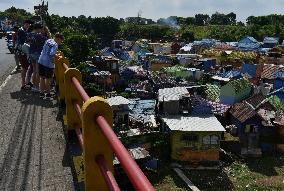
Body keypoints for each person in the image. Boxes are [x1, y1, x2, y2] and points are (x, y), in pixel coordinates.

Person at [38, 33, 64, 99]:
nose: (60, 43)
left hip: (41, 61)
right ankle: (48, 94)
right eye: (60, 41)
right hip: (48, 64)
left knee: (42, 78)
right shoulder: (55, 44)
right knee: (48, 79)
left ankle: (41, 93)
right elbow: (52, 53)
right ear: (58, 39)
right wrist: (58, 56)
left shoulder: (48, 40)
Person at [28, 23, 47, 92]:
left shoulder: (30, 34)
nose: (42, 30)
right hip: (37, 54)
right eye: (41, 29)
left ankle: (34, 86)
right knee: (38, 72)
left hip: (31, 53)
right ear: (38, 29)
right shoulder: (39, 35)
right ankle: (36, 87)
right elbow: (48, 41)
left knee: (34, 71)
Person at [16, 20, 32, 90]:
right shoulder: (22, 31)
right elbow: (24, 41)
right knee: (24, 68)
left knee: (25, 68)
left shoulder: (23, 30)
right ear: (24, 24)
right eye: (27, 24)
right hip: (22, 52)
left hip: (22, 52)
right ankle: (23, 84)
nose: (28, 25)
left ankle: (25, 83)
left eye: (29, 24)